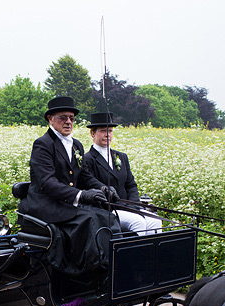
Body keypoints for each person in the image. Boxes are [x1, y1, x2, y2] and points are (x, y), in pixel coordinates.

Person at [18, 96, 121, 275]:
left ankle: (114, 264)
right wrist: (82, 195)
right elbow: (48, 183)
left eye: (71, 118)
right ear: (51, 119)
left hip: (66, 203)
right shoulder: (43, 144)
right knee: (90, 220)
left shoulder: (76, 145)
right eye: (63, 118)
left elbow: (85, 177)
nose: (68, 122)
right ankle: (92, 271)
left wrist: (104, 188)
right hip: (46, 204)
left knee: (108, 217)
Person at [84, 112, 162, 235]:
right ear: (93, 133)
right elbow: (91, 184)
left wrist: (133, 205)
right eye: (103, 131)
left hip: (128, 206)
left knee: (155, 221)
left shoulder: (121, 157)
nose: (107, 135)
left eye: (110, 131)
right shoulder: (88, 159)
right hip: (106, 210)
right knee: (138, 222)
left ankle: (152, 253)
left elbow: (131, 185)